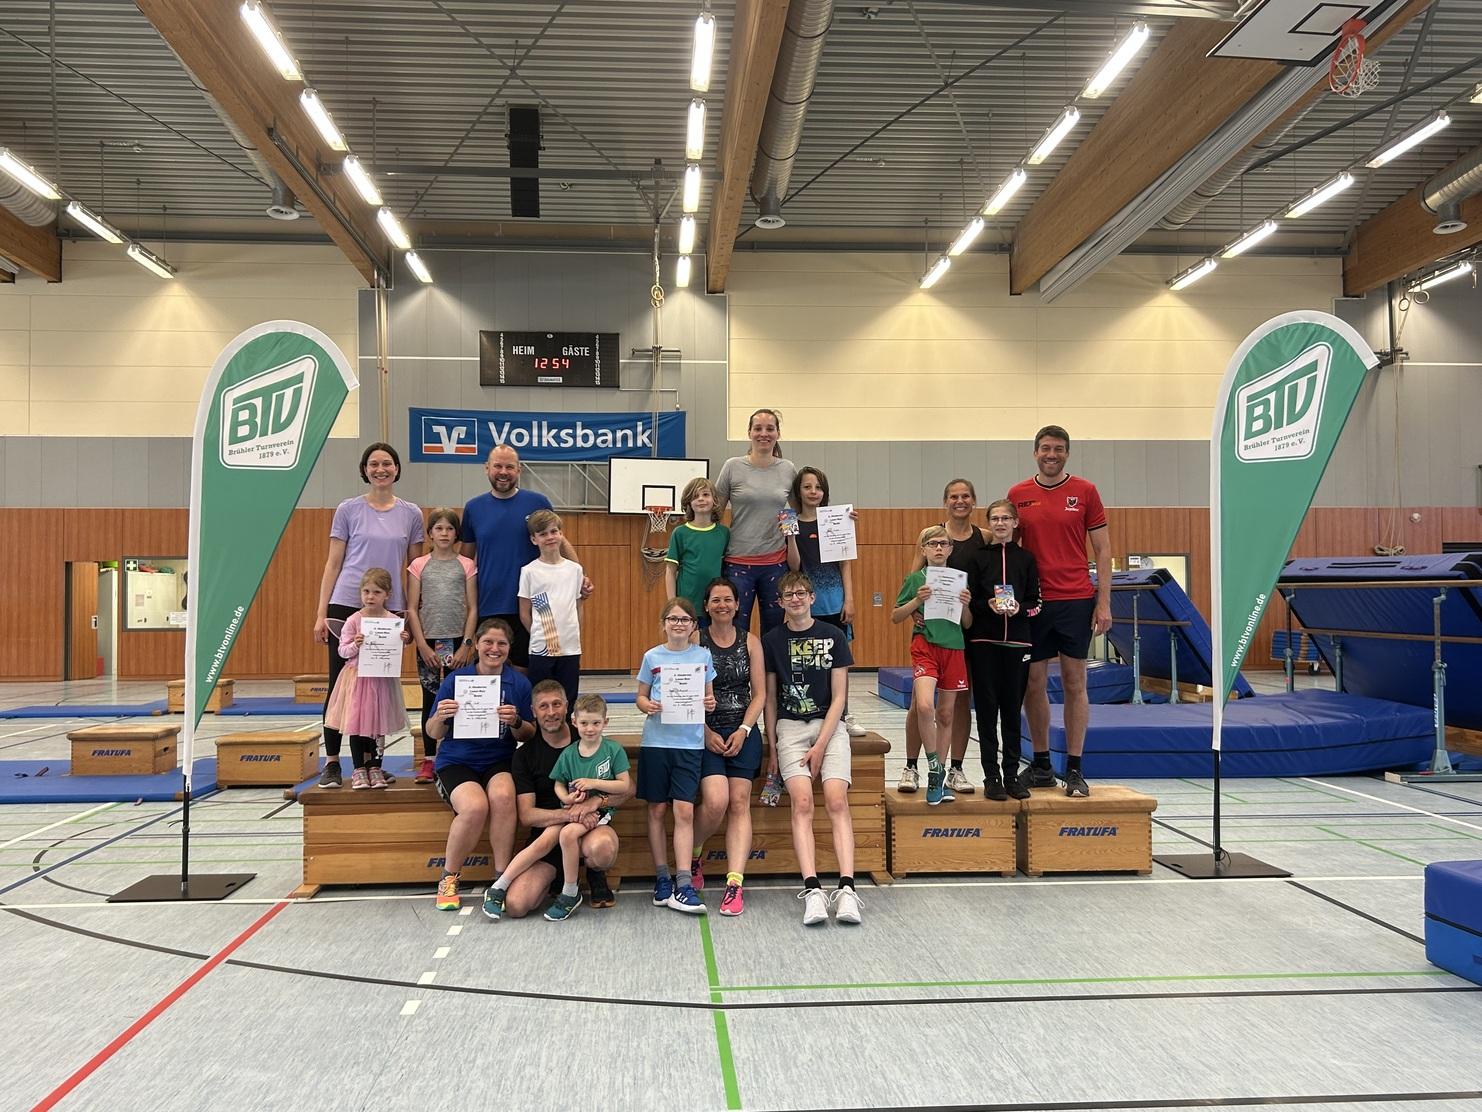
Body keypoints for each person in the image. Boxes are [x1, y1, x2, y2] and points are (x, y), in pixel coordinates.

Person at [313, 442, 424, 788]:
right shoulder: (348, 509)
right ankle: (333, 762)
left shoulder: (411, 513)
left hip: (388, 610)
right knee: (341, 685)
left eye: (387, 463)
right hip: (348, 603)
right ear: (364, 470)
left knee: (377, 688)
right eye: (373, 464)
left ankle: (373, 764)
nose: (380, 469)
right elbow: (333, 563)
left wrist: (411, 613)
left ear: (396, 469)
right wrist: (321, 613)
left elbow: (415, 568)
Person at [1009, 425, 1111, 798]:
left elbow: (1102, 550)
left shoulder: (1086, 491)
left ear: (1067, 453)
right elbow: (1008, 551)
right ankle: (1041, 765)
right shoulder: (1018, 495)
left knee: (1074, 683)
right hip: (1035, 603)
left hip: (1075, 600)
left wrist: (1103, 602)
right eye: (1045, 448)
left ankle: (1075, 768)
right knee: (1033, 684)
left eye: (1058, 449)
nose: (1051, 454)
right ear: (1035, 452)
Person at [763, 570, 862, 926]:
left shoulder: (833, 636)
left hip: (829, 727)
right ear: (780, 602)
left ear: (812, 597)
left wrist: (821, 745)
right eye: (788, 595)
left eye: (801, 593)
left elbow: (840, 698)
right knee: (802, 802)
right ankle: (813, 890)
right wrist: (773, 744)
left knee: (836, 800)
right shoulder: (772, 640)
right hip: (790, 727)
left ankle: (847, 888)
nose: (796, 599)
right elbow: (770, 698)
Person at [481, 693, 630, 922]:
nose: (590, 728)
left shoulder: (610, 749)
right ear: (575, 721)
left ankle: (572, 890)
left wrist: (595, 796)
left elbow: (626, 787)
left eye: (556, 704)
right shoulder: (559, 753)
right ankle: (499, 886)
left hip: (592, 817)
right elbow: (556, 787)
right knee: (518, 902)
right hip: (566, 816)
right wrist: (568, 803)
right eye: (544, 706)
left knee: (577, 838)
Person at [427, 618, 536, 912]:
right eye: (488, 642)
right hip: (456, 761)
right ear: (476, 644)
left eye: (501, 643)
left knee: (503, 797)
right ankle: (449, 877)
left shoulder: (519, 683)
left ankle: (501, 878)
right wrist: (441, 717)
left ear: (509, 648)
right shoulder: (456, 681)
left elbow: (529, 734)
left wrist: (516, 721)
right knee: (475, 807)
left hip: (498, 760)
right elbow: (432, 732)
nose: (494, 648)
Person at [460, 445, 588, 670]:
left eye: (509, 467)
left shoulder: (538, 502)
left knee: (528, 674)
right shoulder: (473, 508)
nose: (503, 472)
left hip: (534, 607)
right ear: (487, 468)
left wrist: (580, 576)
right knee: (489, 671)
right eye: (498, 466)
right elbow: (465, 561)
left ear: (519, 470)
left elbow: (559, 540)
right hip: (490, 603)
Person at [899, 479, 985, 796]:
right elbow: (912, 580)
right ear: (945, 501)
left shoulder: (984, 536)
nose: (960, 501)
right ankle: (912, 765)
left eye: (966, 496)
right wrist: (914, 609)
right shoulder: (931, 535)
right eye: (953, 496)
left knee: (956, 705)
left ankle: (953, 769)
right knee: (920, 704)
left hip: (961, 635)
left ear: (974, 500)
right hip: (929, 635)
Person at [636, 597, 716, 914]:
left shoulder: (703, 657)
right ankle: (662, 878)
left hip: (689, 745)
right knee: (657, 809)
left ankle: (684, 884)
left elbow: (709, 697)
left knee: (684, 810)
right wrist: (648, 705)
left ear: (694, 625)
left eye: (684, 619)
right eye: (673, 619)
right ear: (664, 624)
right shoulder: (652, 657)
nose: (678, 624)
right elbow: (640, 697)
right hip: (656, 743)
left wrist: (709, 703)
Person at [691, 577, 765, 916]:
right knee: (716, 801)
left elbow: (760, 694)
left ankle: (735, 883)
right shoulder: (696, 640)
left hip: (742, 732)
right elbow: (685, 693)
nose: (722, 605)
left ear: (737, 606)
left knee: (738, 802)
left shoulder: (751, 642)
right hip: (706, 732)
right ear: (706, 607)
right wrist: (704, 731)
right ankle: (694, 853)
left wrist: (745, 729)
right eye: (715, 600)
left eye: (728, 600)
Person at [966, 499, 1041, 801]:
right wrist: (988, 605)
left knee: (1012, 711)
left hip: (1017, 644)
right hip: (984, 642)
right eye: (995, 518)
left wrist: (1019, 609)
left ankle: (1011, 775)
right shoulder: (978, 558)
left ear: (1015, 522)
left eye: (1005, 518)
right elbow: (970, 599)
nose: (1000, 523)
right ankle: (991, 776)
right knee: (986, 712)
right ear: (989, 523)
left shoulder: (1027, 559)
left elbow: (1036, 602)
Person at [892, 527, 972, 806]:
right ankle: (934, 766)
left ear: (950, 549)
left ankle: (939, 777)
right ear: (923, 549)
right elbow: (896, 616)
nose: (938, 548)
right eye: (933, 543)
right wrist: (917, 600)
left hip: (954, 648)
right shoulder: (915, 579)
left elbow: (967, 623)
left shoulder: (959, 580)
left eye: (943, 543)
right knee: (925, 706)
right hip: (925, 647)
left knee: (946, 714)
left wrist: (966, 605)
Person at [785, 466, 865, 737]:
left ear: (825, 492)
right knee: (808, 662)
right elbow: (793, 566)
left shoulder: (837, 520)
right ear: (798, 491)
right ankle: (811, 713)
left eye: (818, 487)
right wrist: (790, 535)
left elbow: (845, 564)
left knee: (838, 662)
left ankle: (844, 715)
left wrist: (849, 599)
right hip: (807, 606)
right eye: (807, 487)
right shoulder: (792, 522)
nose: (813, 492)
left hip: (835, 603)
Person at [323, 567, 412, 790]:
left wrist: (402, 640)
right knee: (357, 723)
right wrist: (355, 645)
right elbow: (342, 651)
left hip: (381, 680)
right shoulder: (354, 620)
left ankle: (375, 767)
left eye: (376, 592)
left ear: (387, 595)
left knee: (378, 725)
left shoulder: (392, 620)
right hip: (358, 680)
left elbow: (393, 650)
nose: (370, 597)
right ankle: (358, 769)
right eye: (366, 591)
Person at [407, 507, 477, 784]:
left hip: (458, 640)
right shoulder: (419, 565)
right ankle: (429, 759)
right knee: (430, 699)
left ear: (457, 534)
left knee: (459, 699)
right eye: (439, 528)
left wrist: (467, 645)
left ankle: (456, 754)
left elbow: (473, 608)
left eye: (450, 528)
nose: (444, 533)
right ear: (430, 533)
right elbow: (412, 608)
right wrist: (422, 645)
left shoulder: (466, 565)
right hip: (430, 641)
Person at [713, 408, 796, 634]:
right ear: (749, 432)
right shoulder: (732, 466)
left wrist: (837, 521)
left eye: (770, 428)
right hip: (738, 563)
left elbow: (803, 510)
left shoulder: (788, 469)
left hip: (775, 563)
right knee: (736, 629)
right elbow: (714, 512)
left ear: (778, 433)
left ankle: (768, 662)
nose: (764, 433)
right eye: (758, 428)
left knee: (774, 630)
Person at [518, 509, 585, 709]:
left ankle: (568, 730)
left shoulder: (575, 570)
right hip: (541, 648)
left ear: (561, 534)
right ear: (534, 539)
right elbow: (524, 612)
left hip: (570, 647)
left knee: (568, 700)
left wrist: (575, 636)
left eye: (554, 531)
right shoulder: (529, 571)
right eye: (543, 534)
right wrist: (541, 634)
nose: (550, 537)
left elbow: (578, 607)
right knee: (541, 699)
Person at [664, 477, 730, 615]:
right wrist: (673, 604)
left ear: (714, 500)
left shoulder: (724, 533)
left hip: (714, 605)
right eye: (695, 496)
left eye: (705, 494)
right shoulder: (680, 533)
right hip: (687, 603)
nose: (701, 499)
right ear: (689, 502)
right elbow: (670, 571)